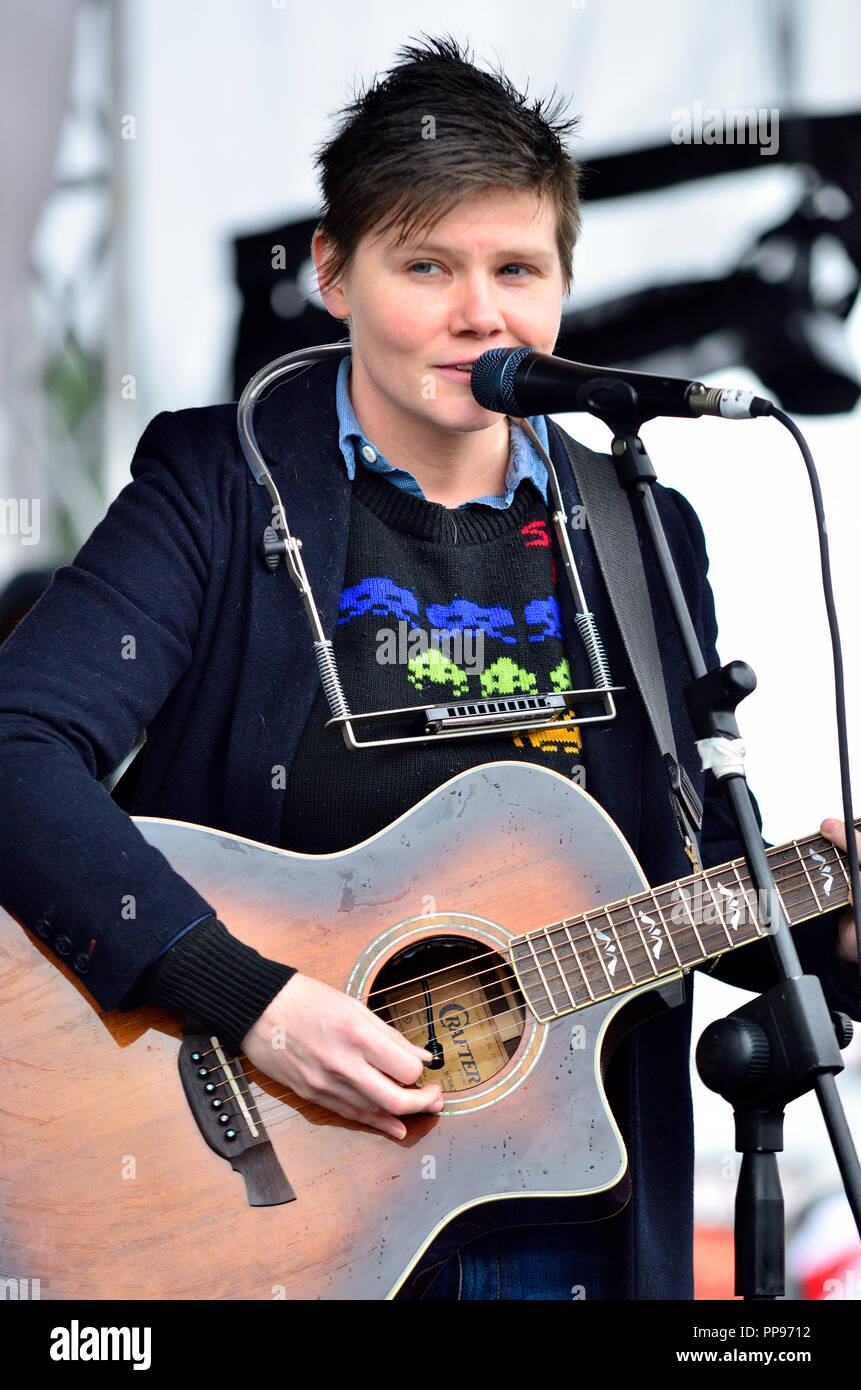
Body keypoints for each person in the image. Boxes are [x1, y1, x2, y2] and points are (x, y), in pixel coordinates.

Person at [0, 33, 858, 1301]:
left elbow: (651, 892)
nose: (480, 313)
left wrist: (819, 926)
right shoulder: (221, 487)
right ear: (337, 273)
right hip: (265, 1192)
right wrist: (253, 999)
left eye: (517, 268)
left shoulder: (637, 528)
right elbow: (17, 747)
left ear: (564, 282)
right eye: (428, 266)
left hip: (563, 1216)